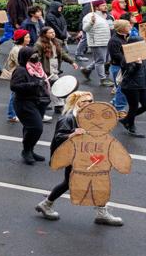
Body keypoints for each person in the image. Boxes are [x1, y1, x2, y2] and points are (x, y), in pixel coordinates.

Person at [34, 90, 124, 226]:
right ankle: (102, 213)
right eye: (84, 101)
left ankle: (46, 204)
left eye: (90, 101)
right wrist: (73, 134)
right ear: (77, 103)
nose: (88, 104)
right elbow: (58, 138)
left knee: (70, 183)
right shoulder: (68, 118)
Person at [9, 45, 52, 165]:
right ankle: (26, 150)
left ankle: (30, 150)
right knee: (37, 128)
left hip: (38, 101)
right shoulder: (21, 70)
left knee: (30, 128)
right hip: (24, 103)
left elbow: (43, 81)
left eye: (36, 54)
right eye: (32, 55)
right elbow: (14, 86)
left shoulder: (38, 68)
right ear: (25, 57)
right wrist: (34, 84)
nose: (36, 57)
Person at [112, 20, 146, 137]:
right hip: (130, 86)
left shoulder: (143, 56)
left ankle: (126, 120)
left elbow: (144, 72)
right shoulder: (126, 58)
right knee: (133, 107)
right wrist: (137, 64)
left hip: (140, 85)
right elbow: (128, 73)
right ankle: (131, 126)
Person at [2, 29, 32, 121]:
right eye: (27, 37)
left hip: (21, 73)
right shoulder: (16, 50)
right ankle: (11, 115)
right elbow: (21, 63)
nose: (29, 39)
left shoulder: (23, 48)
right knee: (15, 94)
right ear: (21, 39)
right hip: (17, 75)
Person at [79, 4, 113, 85]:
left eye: (105, 5)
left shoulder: (108, 16)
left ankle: (87, 70)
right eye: (103, 5)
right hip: (96, 42)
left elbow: (111, 27)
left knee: (103, 60)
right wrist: (91, 22)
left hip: (107, 41)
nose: (106, 6)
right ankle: (103, 79)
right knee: (100, 61)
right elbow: (85, 29)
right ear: (96, 7)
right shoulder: (89, 16)